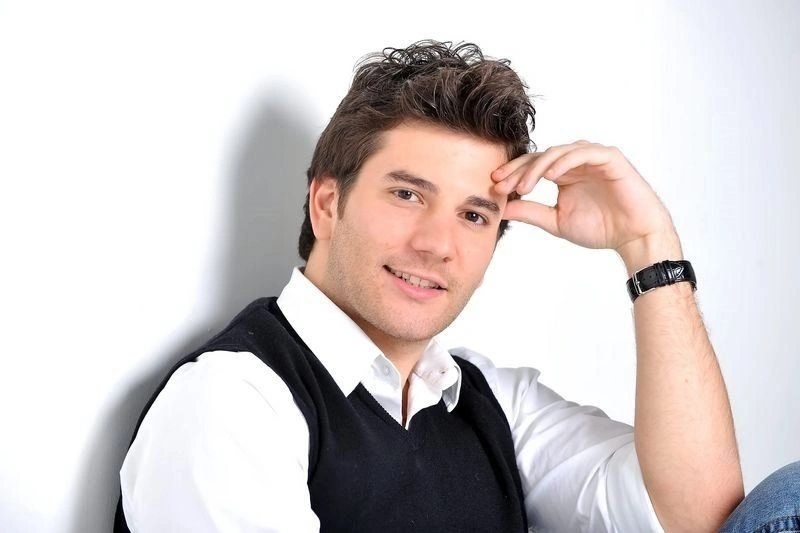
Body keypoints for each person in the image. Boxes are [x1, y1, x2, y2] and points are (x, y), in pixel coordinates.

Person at [114, 41, 798, 532]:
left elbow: (696, 517)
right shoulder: (234, 400)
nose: (438, 243)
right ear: (326, 204)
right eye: (408, 194)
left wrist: (650, 248)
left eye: (474, 215)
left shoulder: (485, 400)